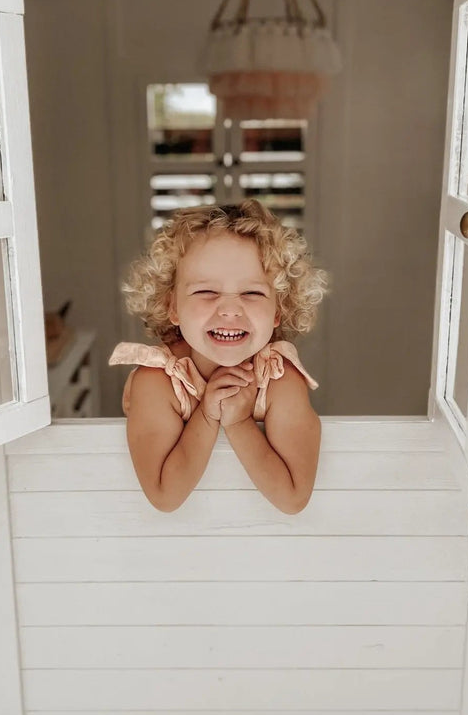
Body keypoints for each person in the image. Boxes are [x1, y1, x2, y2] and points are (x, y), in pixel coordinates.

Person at [109, 200, 328, 514]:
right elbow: (164, 495)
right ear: (172, 305)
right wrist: (209, 414)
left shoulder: (280, 378)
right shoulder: (157, 381)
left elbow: (293, 497)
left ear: (278, 309)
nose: (229, 309)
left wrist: (239, 422)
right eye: (205, 292)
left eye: (252, 293)